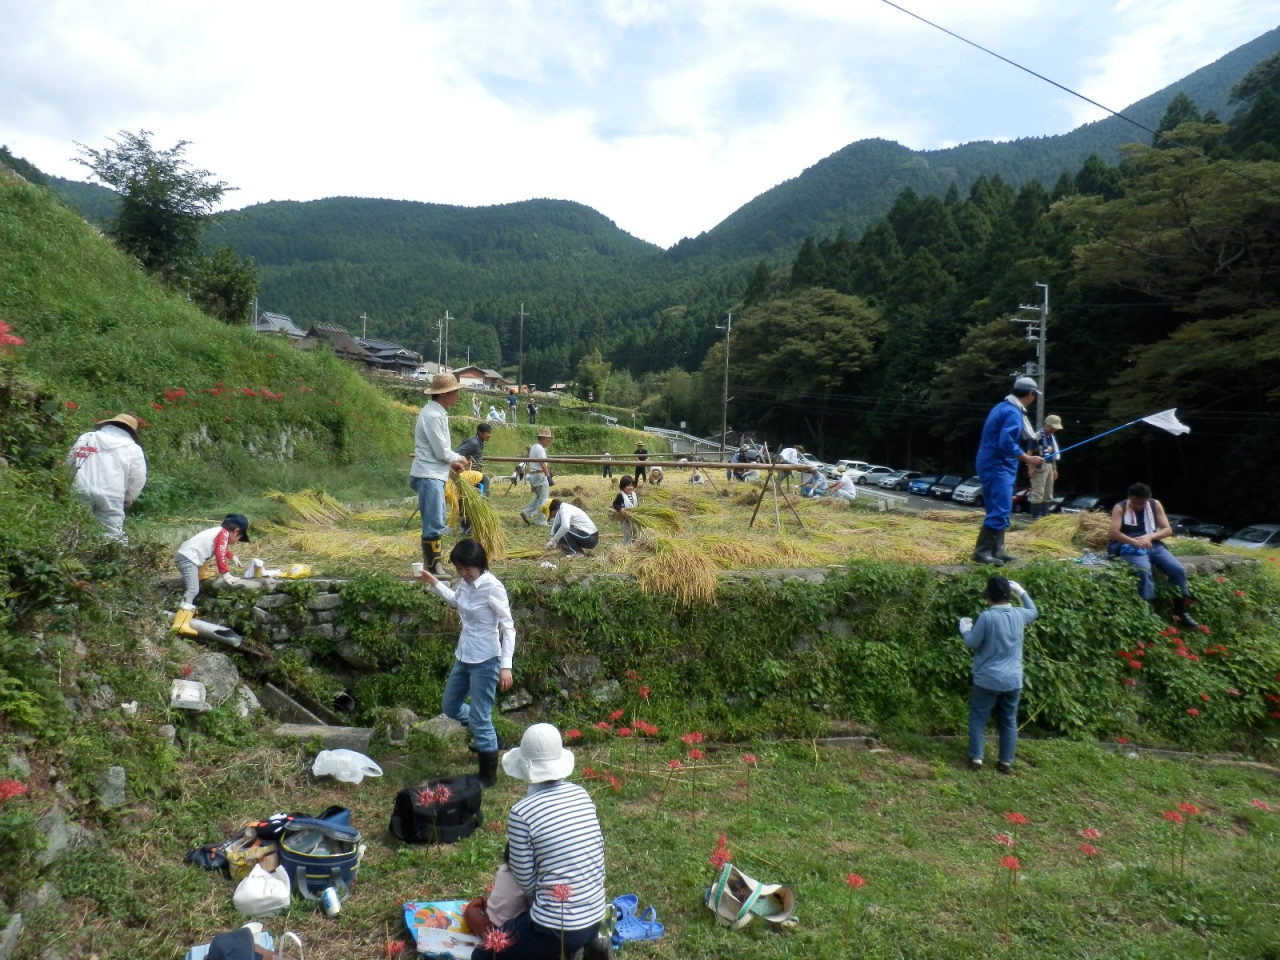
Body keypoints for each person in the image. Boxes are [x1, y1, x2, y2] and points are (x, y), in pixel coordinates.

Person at [469, 723, 606, 960]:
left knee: (482, 955)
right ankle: (579, 946)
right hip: (595, 916)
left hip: (554, 928)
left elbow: (524, 877)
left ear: (525, 767)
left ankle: (563, 948)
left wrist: (539, 900)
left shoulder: (522, 812)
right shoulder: (582, 795)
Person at [415, 539, 515, 787]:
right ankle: (490, 736)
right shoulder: (465, 584)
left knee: (481, 718)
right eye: (459, 569)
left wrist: (506, 665)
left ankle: (487, 777)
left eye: (466, 569)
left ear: (479, 564)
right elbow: (457, 602)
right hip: (464, 655)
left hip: (486, 660)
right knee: (450, 707)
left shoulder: (493, 588)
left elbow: (508, 627)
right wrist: (433, 582)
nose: (463, 573)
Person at [959, 575, 1037, 774]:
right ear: (1009, 596)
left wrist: (965, 629)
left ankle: (976, 758)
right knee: (1008, 720)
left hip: (987, 679)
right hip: (1013, 680)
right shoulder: (1019, 615)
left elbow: (972, 643)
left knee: (978, 717)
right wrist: (1022, 592)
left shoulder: (987, 617)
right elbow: (1034, 611)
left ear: (990, 598)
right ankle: (1006, 762)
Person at [1107, 482, 1200, 628]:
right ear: (1129, 497)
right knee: (1143, 570)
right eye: (1135, 503)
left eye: (1141, 504)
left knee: (1177, 569)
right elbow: (1113, 533)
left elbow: (1167, 530)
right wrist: (1134, 541)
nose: (1138, 506)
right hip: (1129, 545)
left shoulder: (1154, 504)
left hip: (1153, 544)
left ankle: (1181, 609)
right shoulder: (1120, 507)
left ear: (1149, 498)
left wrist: (1149, 537)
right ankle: (1148, 609)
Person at [973, 377, 1044, 566]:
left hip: (990, 462)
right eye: (1034, 396)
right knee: (1002, 508)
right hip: (997, 465)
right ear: (1030, 395)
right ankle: (982, 551)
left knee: (995, 507)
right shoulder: (1013, 413)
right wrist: (1028, 459)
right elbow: (1006, 443)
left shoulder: (1001, 407)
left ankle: (998, 550)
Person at [411, 373, 469, 576]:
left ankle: (433, 565)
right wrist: (459, 458)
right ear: (446, 393)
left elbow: (440, 452)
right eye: (456, 392)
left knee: (437, 519)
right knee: (434, 521)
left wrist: (452, 463)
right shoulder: (433, 416)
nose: (458, 396)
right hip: (429, 475)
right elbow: (441, 452)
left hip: (435, 473)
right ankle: (433, 567)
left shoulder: (437, 413)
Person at [65, 413, 148, 543]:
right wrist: (130, 497)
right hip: (112, 494)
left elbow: (70, 462)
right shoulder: (133, 448)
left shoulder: (88, 437)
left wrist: (66, 483)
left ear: (108, 424)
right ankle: (112, 560)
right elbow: (138, 477)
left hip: (81, 487)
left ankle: (73, 557)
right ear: (130, 431)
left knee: (75, 528)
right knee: (112, 533)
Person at [172, 514, 249, 635]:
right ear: (236, 531)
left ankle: (189, 611)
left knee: (196, 586)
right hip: (188, 559)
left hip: (187, 556)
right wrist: (225, 574)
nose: (237, 541)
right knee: (193, 589)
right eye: (239, 538)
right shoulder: (223, 534)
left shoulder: (219, 531)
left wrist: (231, 556)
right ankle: (180, 624)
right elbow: (219, 553)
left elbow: (220, 548)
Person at [1029, 414, 1063, 519]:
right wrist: (1030, 468)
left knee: (1048, 493)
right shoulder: (1036, 436)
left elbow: (1053, 455)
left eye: (1055, 428)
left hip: (1049, 466)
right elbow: (1029, 453)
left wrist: (1055, 469)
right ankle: (1036, 517)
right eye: (1052, 427)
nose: (1054, 430)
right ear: (1046, 425)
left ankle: (1044, 516)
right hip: (1038, 467)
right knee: (1038, 492)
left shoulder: (1052, 438)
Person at [521, 428, 553, 526]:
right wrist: (548, 476)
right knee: (544, 499)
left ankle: (527, 512)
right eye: (548, 440)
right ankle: (541, 521)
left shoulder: (534, 447)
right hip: (540, 475)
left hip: (534, 475)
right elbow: (542, 463)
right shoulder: (540, 448)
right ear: (543, 438)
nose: (549, 442)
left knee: (539, 498)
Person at [457, 423, 492, 495]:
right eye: (487, 433)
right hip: (469, 472)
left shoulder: (480, 442)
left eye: (490, 433)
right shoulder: (474, 443)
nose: (489, 435)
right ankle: (484, 503)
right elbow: (458, 453)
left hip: (476, 472)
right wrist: (464, 463)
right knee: (485, 480)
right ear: (479, 432)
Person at [611, 475, 640, 545]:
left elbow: (637, 504)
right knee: (628, 534)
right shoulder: (620, 496)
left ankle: (634, 546)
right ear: (622, 486)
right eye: (628, 486)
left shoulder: (634, 495)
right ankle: (626, 547)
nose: (630, 487)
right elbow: (615, 504)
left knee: (635, 532)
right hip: (625, 518)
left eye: (632, 485)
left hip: (634, 517)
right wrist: (620, 509)